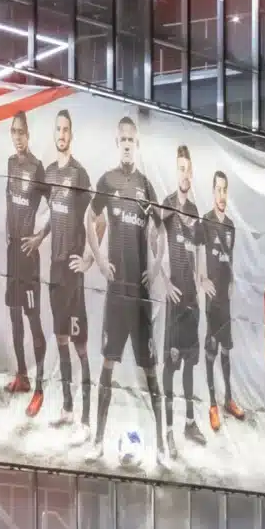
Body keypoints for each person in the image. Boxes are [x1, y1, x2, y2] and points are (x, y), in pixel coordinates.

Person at [88, 113, 168, 466]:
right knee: (106, 365)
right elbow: (89, 219)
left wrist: (155, 263)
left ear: (137, 145)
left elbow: (160, 230)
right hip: (116, 297)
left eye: (131, 140)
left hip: (140, 299)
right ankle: (96, 440)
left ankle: (163, 447)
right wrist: (100, 261)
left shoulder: (145, 187)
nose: (126, 145)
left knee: (151, 372)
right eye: (122, 139)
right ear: (116, 143)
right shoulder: (107, 181)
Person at [37, 108, 93, 429]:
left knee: (79, 342)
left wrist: (87, 259)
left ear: (72, 135)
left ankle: (86, 415)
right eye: (57, 129)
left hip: (73, 273)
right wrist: (40, 234)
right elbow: (52, 215)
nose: (61, 134)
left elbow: (95, 219)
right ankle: (68, 409)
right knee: (59, 338)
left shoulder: (80, 175)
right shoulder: (49, 174)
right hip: (54, 271)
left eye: (66, 129)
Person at [159, 145, 207, 446]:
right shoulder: (166, 206)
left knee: (190, 362)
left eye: (188, 168)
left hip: (192, 302)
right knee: (170, 364)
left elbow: (199, 252)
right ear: (175, 171)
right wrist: (164, 280)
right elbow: (153, 242)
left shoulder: (196, 213)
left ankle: (189, 423)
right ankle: (167, 430)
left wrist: (201, 284)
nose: (185, 174)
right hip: (174, 302)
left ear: (193, 173)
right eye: (180, 168)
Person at [0, 111, 48, 410]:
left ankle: (40, 387)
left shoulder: (37, 167)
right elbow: (9, 200)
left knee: (33, 319)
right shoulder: (9, 164)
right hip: (12, 253)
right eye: (13, 132)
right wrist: (8, 233)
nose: (18, 137)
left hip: (30, 258)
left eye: (22, 132)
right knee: (14, 315)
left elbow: (56, 205)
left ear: (29, 135)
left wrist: (40, 236)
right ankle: (22, 375)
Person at [201, 168, 248, 429]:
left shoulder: (230, 226)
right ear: (212, 192)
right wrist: (201, 277)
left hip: (225, 300)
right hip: (210, 302)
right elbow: (197, 252)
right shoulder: (205, 222)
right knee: (210, 350)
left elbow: (229, 260)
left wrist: (229, 282)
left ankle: (229, 399)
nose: (222, 195)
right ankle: (211, 405)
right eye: (218, 189)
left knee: (227, 349)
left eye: (225, 190)